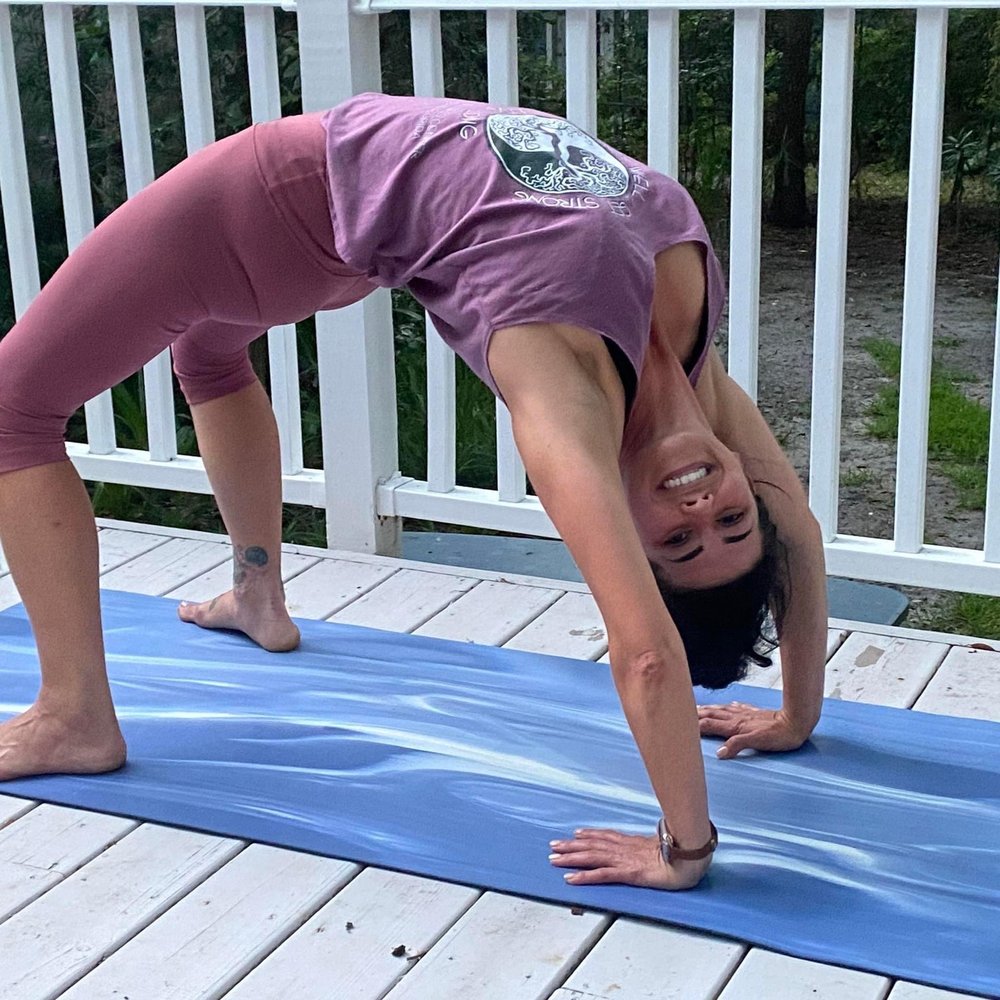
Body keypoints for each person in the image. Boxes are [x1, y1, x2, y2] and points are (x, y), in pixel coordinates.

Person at [0, 92, 827, 890]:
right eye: (730, 521)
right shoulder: (691, 356)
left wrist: (686, 851)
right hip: (339, 228)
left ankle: (75, 714)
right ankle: (258, 598)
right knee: (209, 351)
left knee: (13, 410)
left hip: (280, 199)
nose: (699, 506)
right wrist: (796, 718)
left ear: (634, 531)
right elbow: (802, 534)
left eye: (680, 541)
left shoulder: (563, 394)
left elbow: (646, 652)